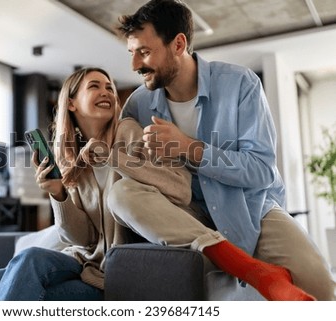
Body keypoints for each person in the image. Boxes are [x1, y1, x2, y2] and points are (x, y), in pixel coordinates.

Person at [111, 0, 335, 300]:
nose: (135, 65)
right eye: (132, 53)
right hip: (185, 216)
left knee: (321, 289)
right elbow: (126, 171)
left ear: (178, 44)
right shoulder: (138, 103)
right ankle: (242, 265)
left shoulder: (241, 84)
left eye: (145, 52)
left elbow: (261, 171)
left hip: (249, 208)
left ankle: (237, 263)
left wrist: (190, 148)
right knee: (121, 194)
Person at [0, 67, 192, 300]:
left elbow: (180, 188)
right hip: (82, 264)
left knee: (29, 261)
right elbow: (83, 239)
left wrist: (111, 156)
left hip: (111, 274)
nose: (107, 93)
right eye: (95, 86)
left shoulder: (129, 133)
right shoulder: (72, 157)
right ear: (71, 103)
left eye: (109, 87)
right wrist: (58, 194)